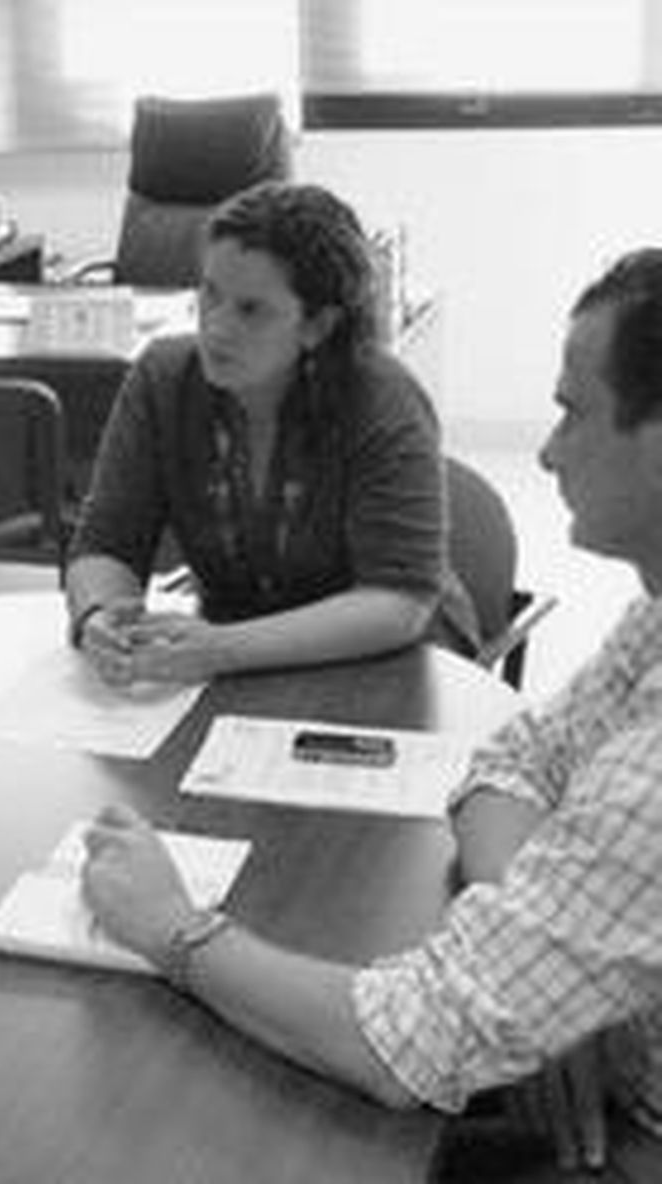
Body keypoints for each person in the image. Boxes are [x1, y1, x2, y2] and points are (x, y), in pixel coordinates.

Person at [80, 248, 662, 1180]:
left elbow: (407, 1042)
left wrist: (167, 924)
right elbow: (513, 760)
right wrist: (550, 960)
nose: (546, 450)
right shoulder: (656, 614)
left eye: (570, 410)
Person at [66, 181, 475, 685]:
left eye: (251, 310)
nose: (215, 327)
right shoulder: (164, 379)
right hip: (234, 658)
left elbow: (398, 602)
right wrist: (100, 617)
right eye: (209, 294)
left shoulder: (381, 397)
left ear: (317, 325)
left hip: (387, 662)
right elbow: (106, 543)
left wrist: (223, 648)